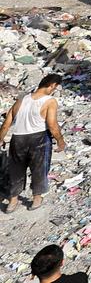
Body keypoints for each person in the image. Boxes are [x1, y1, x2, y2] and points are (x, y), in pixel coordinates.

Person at [1, 74, 66, 214]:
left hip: (17, 139)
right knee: (39, 169)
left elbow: (7, 123)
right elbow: (52, 124)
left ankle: (12, 202)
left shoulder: (22, 99)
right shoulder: (50, 101)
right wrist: (60, 140)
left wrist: (1, 138)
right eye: (55, 87)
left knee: (16, 170)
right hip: (38, 139)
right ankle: (36, 199)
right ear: (52, 85)